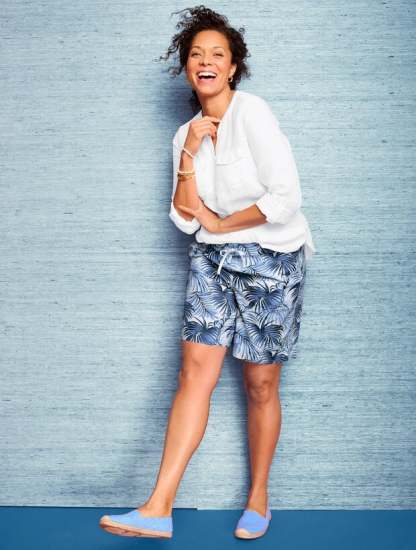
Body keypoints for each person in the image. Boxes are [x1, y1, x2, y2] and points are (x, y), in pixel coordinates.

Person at [100, 5, 315, 540]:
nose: (206, 62)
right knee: (193, 376)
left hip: (271, 260)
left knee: (260, 384)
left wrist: (221, 223)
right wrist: (190, 153)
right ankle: (158, 507)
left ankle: (259, 499)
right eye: (196, 54)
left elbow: (285, 198)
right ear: (186, 68)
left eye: (218, 54)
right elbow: (183, 215)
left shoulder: (254, 113)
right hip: (212, 262)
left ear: (233, 67)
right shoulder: (185, 134)